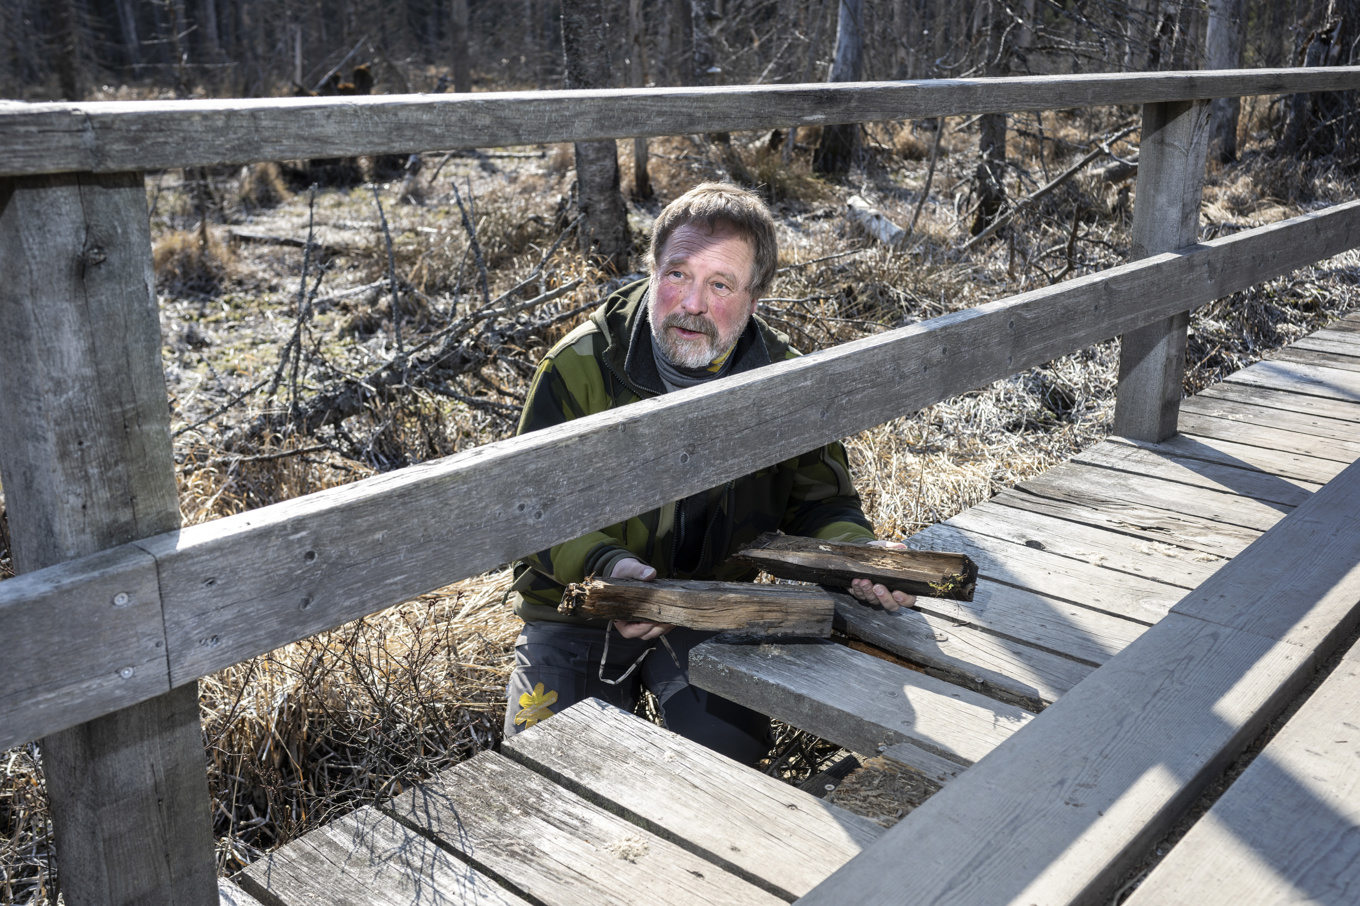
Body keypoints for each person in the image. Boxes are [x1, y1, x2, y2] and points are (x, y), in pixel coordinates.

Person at [502, 183, 913, 765]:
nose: (690, 303)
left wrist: (856, 558)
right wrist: (609, 571)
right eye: (676, 275)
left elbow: (821, 504)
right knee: (544, 778)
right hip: (576, 609)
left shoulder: (784, 382)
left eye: (719, 284)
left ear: (755, 296)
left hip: (711, 608)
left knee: (731, 768)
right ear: (651, 271)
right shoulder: (580, 365)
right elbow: (529, 507)